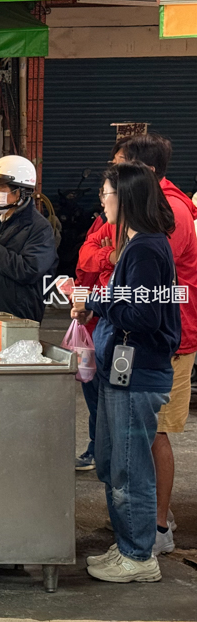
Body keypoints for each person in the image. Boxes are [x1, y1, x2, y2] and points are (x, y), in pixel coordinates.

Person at [77, 134, 197, 553]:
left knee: (133, 466)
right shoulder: (133, 241)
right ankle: (131, 542)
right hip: (122, 362)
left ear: (128, 193)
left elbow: (146, 312)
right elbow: (94, 260)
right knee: (117, 462)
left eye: (107, 192)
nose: (101, 199)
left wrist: (100, 302)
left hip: (141, 366)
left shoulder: (146, 246)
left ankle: (140, 550)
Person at [72, 137, 129, 472]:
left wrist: (108, 264)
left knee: (122, 411)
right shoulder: (104, 222)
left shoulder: (146, 237)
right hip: (98, 326)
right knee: (96, 394)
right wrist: (108, 255)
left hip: (123, 338)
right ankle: (99, 450)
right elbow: (85, 260)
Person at [0, 155, 58, 322]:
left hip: (16, 318)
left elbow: (29, 270)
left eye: (1, 189)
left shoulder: (39, 228)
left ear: (21, 192)